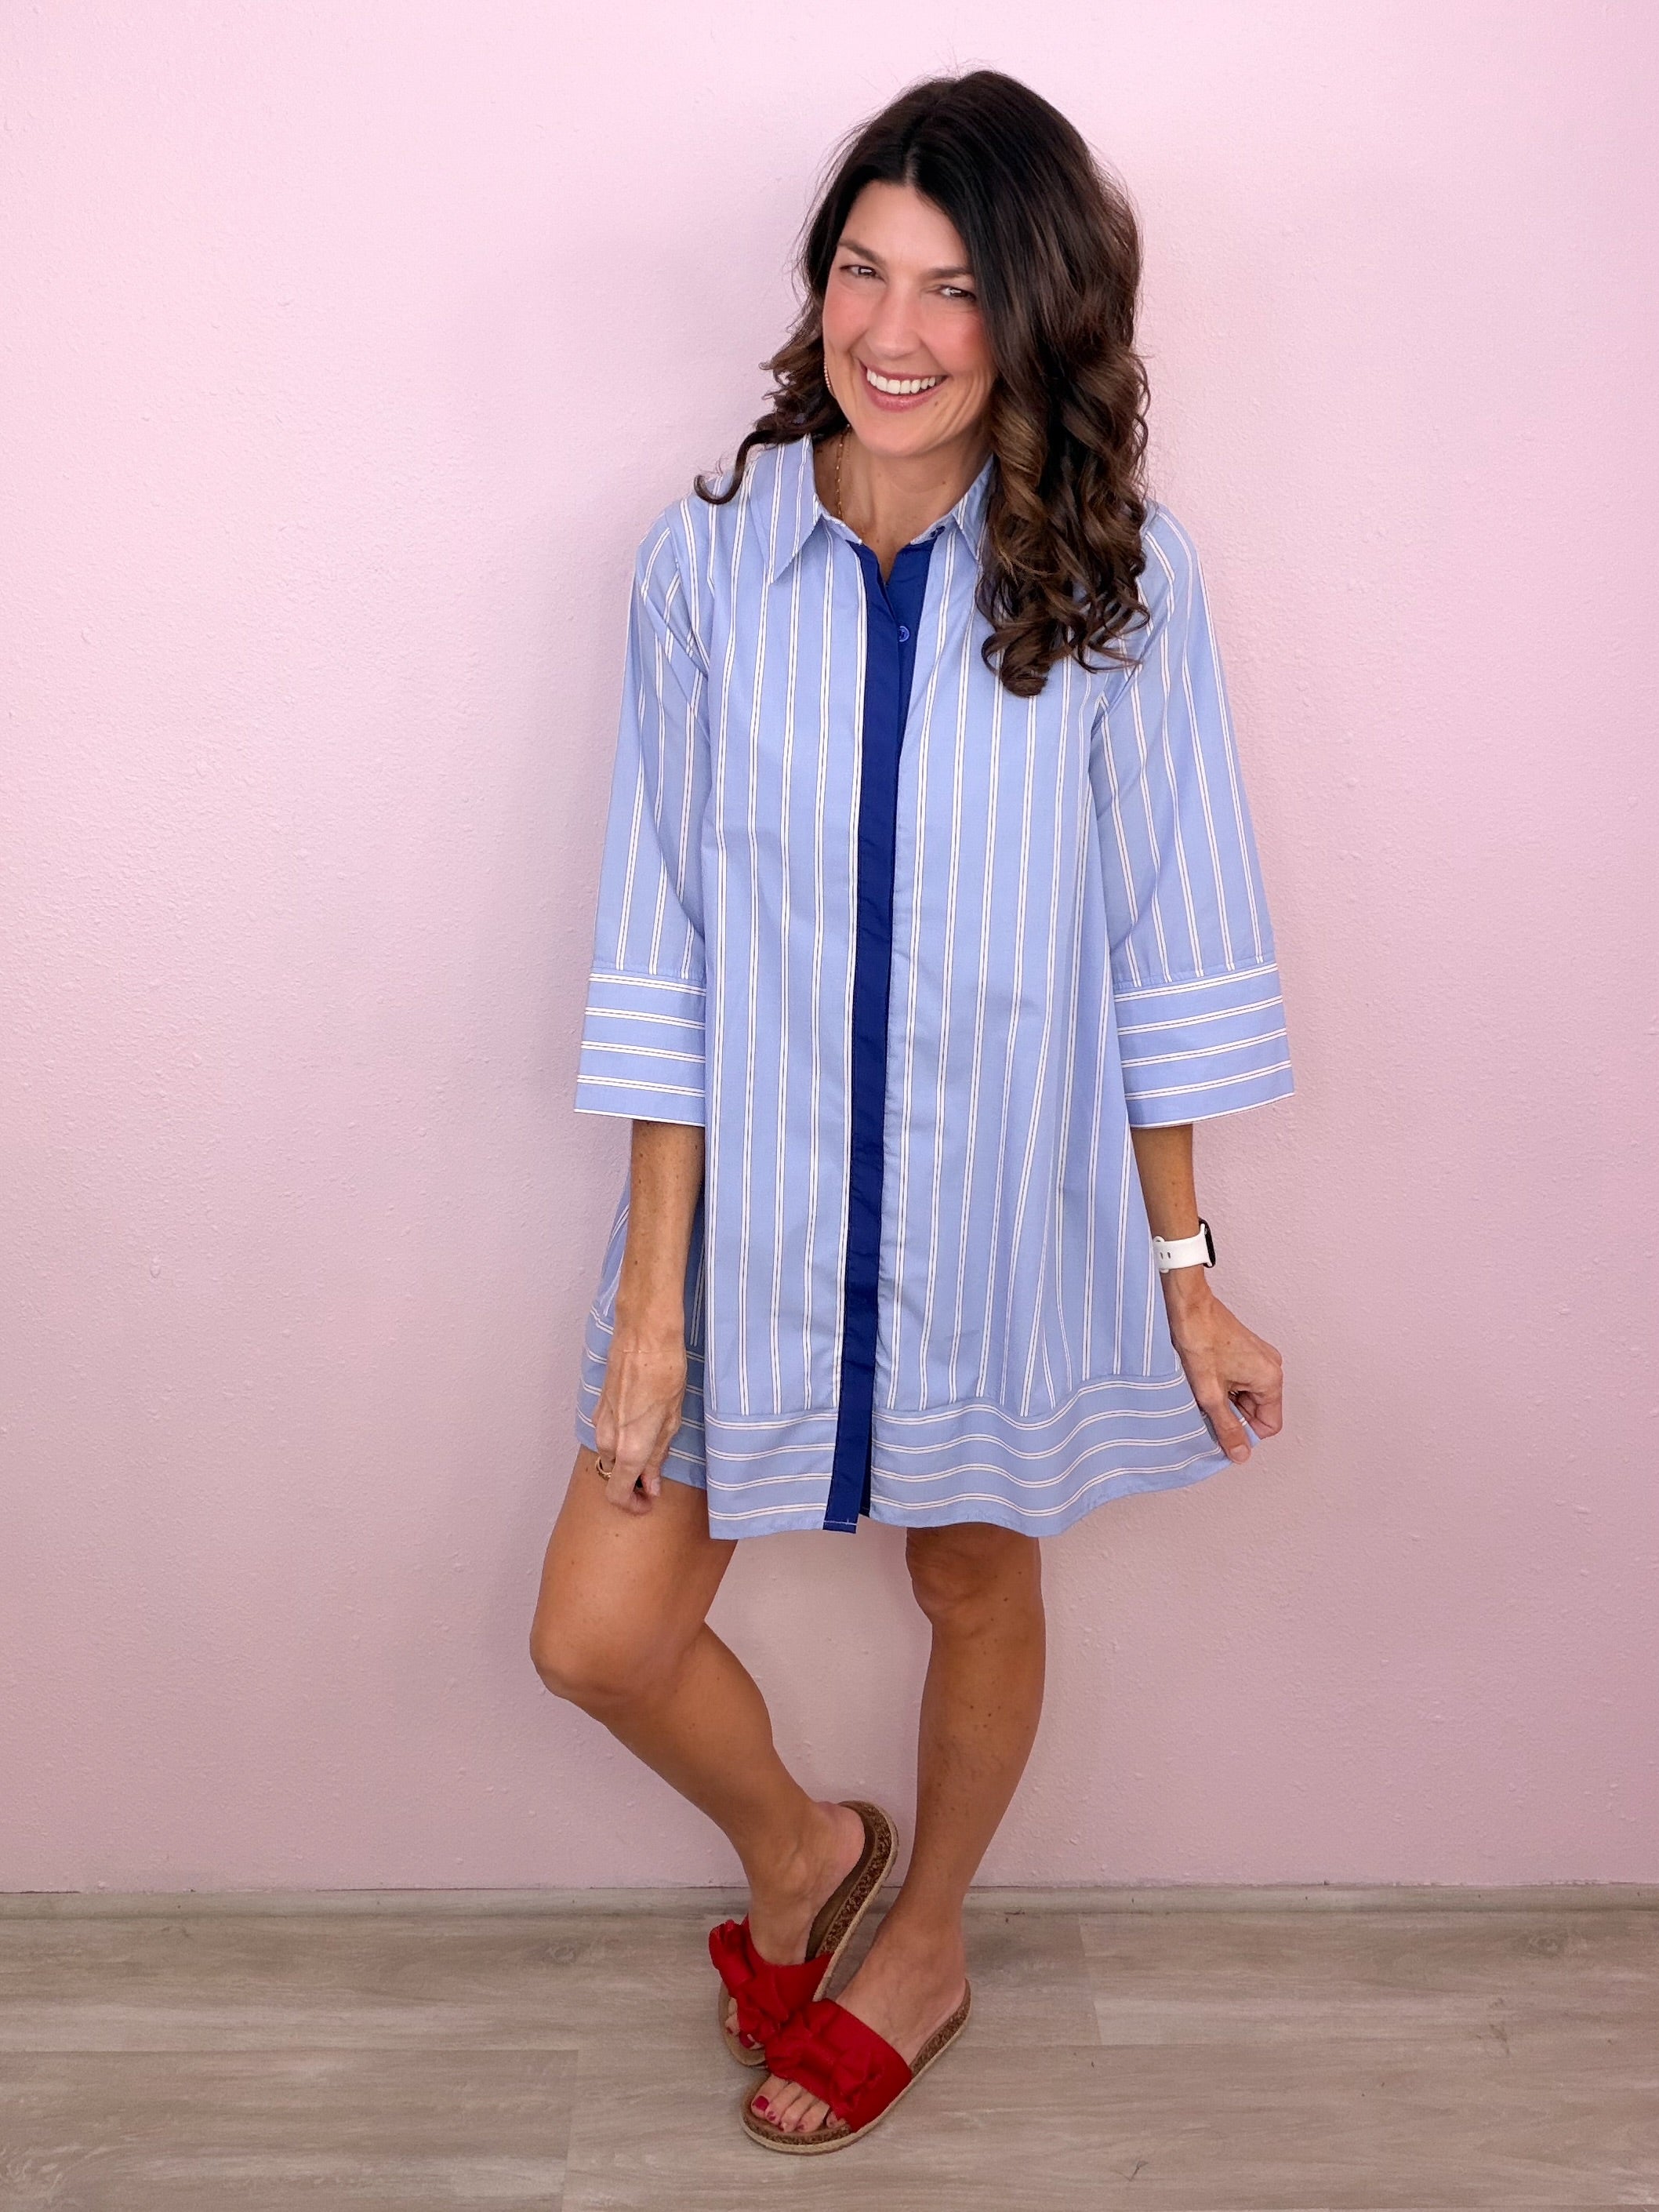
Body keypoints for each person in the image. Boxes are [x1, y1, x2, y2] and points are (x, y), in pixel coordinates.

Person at [531, 67, 1294, 2152]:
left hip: (993, 1206)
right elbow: (664, 943)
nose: (892, 331)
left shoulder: (1121, 582)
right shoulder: (705, 564)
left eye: (952, 289)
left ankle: (927, 1937)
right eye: (860, 272)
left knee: (972, 1576)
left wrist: (1186, 1275)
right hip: (748, 1215)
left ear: (1032, 313)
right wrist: (655, 1312)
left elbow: (1164, 946)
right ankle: (805, 1848)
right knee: (596, 1635)